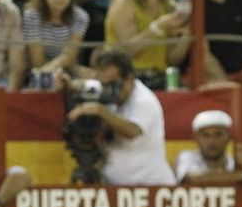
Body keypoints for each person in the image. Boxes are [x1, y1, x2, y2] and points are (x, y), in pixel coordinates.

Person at [68, 47, 176, 184]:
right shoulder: (107, 88)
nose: (107, 89)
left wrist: (101, 111)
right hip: (116, 187)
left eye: (112, 84)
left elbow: (132, 131)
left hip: (150, 185)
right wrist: (68, 84)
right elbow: (83, 85)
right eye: (103, 84)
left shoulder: (144, 100)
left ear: (129, 79)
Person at [174, 108, 242, 207]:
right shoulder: (188, 158)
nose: (212, 141)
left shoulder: (234, 163)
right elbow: (196, 179)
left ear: (228, 137)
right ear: (197, 138)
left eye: (218, 135)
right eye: (206, 135)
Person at [103, 0, 188, 90]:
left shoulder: (166, 4)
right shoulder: (124, 0)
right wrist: (158, 26)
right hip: (129, 78)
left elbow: (172, 59)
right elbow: (128, 50)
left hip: (160, 76)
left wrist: (188, 33)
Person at [23, 0, 90, 87]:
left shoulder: (81, 16)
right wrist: (50, 74)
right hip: (36, 73)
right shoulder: (31, 15)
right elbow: (37, 62)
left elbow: (69, 57)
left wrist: (57, 73)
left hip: (66, 70)